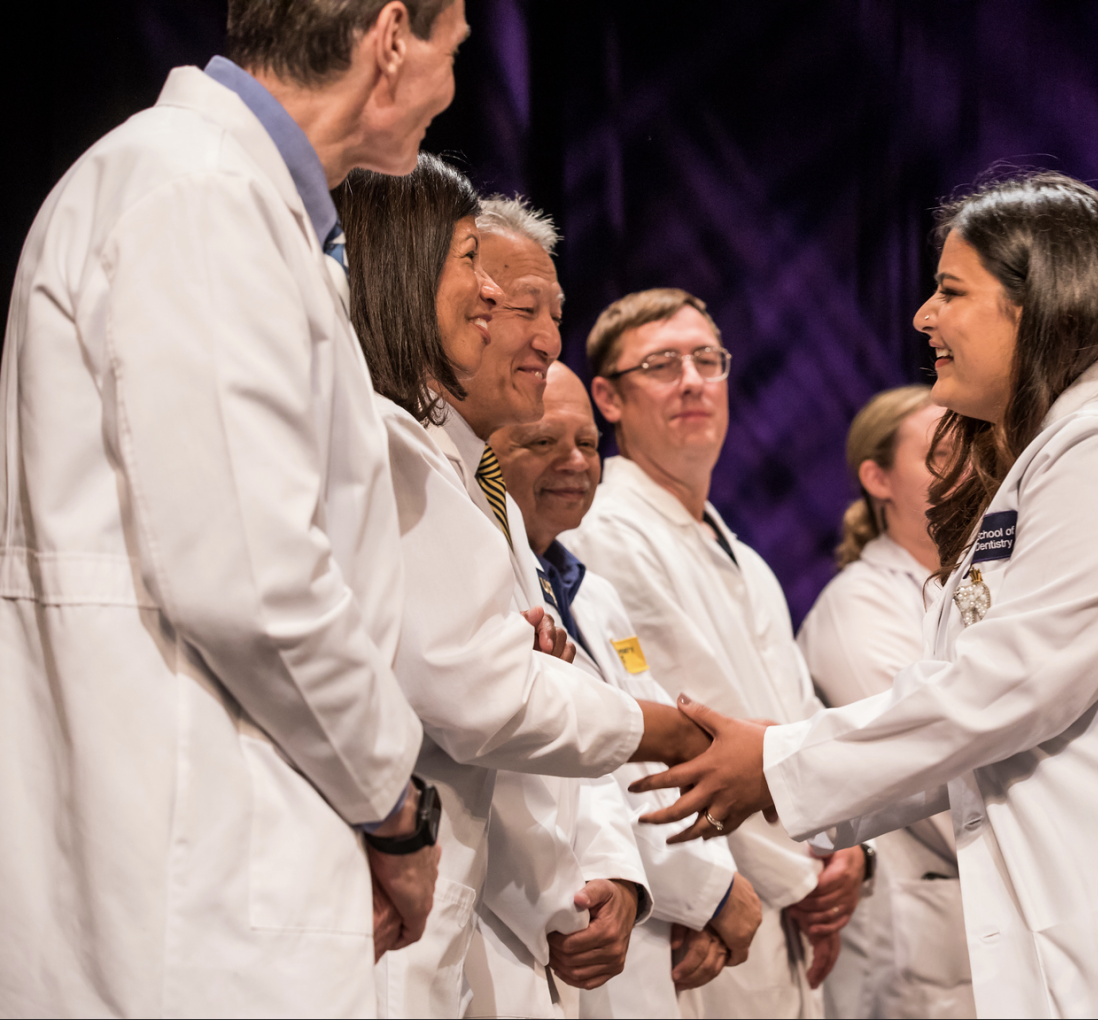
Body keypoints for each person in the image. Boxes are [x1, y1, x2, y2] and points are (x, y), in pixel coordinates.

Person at [633, 172, 1098, 1018]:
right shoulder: (1065, 455)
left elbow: (1008, 690)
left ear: (1040, 305)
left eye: (951, 291)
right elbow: (988, 712)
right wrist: (784, 768)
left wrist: (776, 764)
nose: (922, 317)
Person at [0, 1, 472, 1013]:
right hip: (196, 890)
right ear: (391, 38)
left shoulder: (227, 198)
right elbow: (251, 583)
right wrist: (395, 806)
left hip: (210, 863)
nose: (455, 88)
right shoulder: (201, 193)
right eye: (454, 47)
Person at [336, 161, 712, 1018]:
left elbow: (523, 697)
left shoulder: (475, 484)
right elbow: (481, 698)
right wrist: (667, 733)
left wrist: (601, 874)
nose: (536, 333)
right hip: (414, 921)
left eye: (553, 314)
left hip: (490, 918)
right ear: (405, 273)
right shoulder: (400, 453)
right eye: (478, 273)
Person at [563, 289, 871, 1019]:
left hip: (786, 891)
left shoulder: (746, 556)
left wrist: (844, 846)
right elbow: (684, 736)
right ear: (607, 396)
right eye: (662, 364)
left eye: (708, 360)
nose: (694, 380)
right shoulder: (607, 531)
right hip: (712, 901)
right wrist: (806, 877)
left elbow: (794, 716)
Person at [492, 355, 766, 1018]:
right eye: (542, 441)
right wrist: (709, 893)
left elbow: (652, 766)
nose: (576, 462)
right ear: (484, 455)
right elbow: (578, 763)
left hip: (650, 922)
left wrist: (709, 892)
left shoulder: (593, 592)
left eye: (587, 443)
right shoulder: (495, 584)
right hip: (574, 917)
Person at [797, 385, 975, 1020]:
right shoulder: (858, 607)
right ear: (878, 478)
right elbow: (922, 757)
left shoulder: (978, 586)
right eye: (940, 453)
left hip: (979, 921)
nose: (967, 467)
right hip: (915, 936)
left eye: (973, 447)